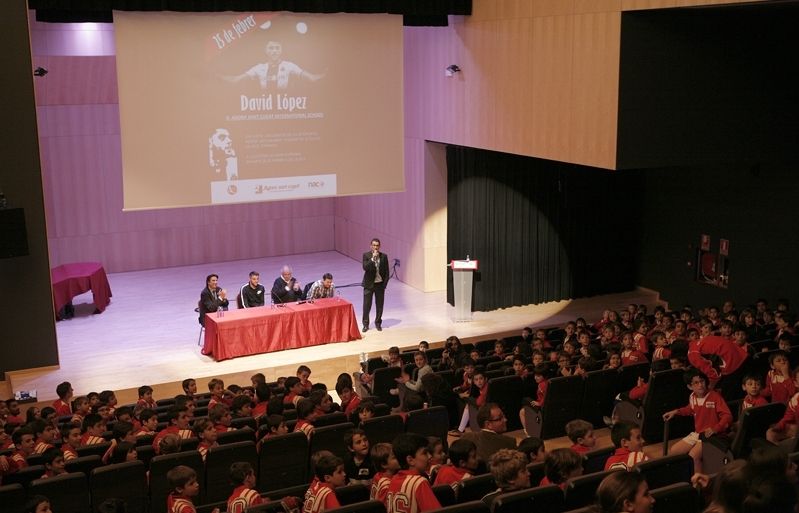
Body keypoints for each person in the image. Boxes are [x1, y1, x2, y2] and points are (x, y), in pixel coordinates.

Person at [225, 40, 324, 90]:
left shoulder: (289, 65)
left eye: (277, 48)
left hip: (284, 107)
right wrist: (217, 76)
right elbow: (235, 80)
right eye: (271, 48)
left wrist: (327, 74)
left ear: (281, 51)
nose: (274, 51)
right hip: (264, 107)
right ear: (266, 51)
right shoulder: (259, 67)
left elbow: (312, 78)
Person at [385, 433, 441, 513]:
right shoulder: (419, 482)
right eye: (425, 453)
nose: (430, 456)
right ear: (410, 460)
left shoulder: (393, 479)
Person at [362, 238, 389, 332]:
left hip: (379, 285)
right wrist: (373, 258)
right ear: (371, 246)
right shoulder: (366, 255)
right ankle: (365, 324)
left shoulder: (384, 256)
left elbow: (387, 272)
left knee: (379, 305)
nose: (375, 247)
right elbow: (365, 268)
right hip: (369, 285)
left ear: (379, 246)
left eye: (377, 245)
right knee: (366, 305)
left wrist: (384, 285)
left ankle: (378, 323)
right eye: (374, 245)